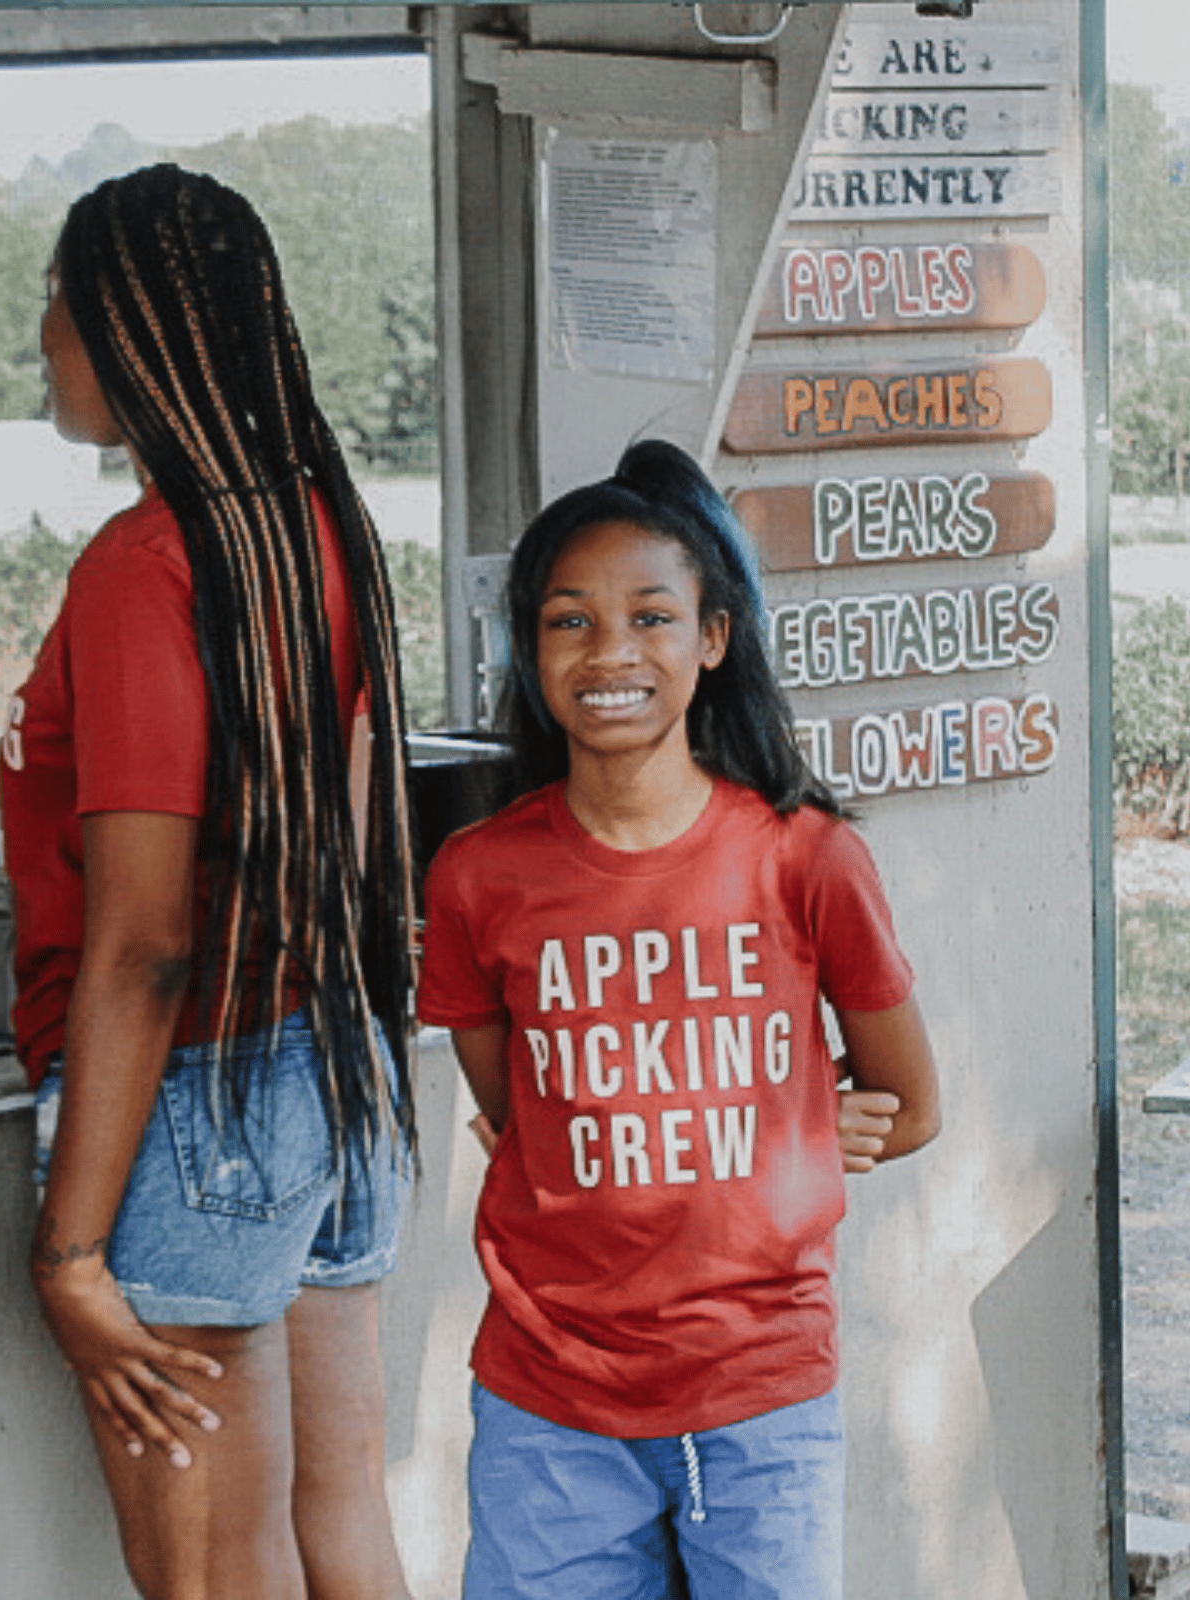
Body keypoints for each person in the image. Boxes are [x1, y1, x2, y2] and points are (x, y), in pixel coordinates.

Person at [417, 439, 941, 1600]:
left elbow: (911, 1104)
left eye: (652, 617)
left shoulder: (809, 858)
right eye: (568, 621)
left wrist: (808, 1121)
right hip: (549, 1405)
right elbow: (521, 1113)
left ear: (712, 640)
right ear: (528, 645)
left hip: (761, 1401)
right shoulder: (475, 877)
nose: (610, 651)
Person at [0, 165, 416, 1600]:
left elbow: (142, 946)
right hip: (334, 1079)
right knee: (344, 1541)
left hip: (196, 1109)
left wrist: (69, 1255)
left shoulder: (142, 568)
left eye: (56, 301)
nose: (38, 333)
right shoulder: (313, 525)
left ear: (126, 328)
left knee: (210, 1583)